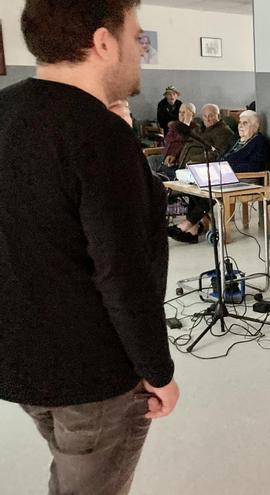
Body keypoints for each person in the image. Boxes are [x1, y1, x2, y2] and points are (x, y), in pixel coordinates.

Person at [0, 1, 179, 493]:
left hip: (20, 361)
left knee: (69, 467)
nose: (141, 50)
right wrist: (157, 371)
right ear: (104, 42)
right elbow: (123, 273)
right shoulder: (97, 135)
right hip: (92, 375)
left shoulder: (7, 110)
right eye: (136, 36)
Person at [169, 111, 270, 243]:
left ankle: (187, 225)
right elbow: (220, 156)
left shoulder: (259, 142)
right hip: (225, 175)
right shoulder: (235, 139)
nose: (240, 125)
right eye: (240, 122)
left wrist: (226, 169)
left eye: (245, 123)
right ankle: (193, 228)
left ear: (255, 126)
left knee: (211, 189)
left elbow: (255, 166)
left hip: (245, 179)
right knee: (195, 186)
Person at [151, 101, 198, 176]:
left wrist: (186, 124)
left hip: (179, 160)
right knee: (148, 161)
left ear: (192, 115)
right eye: (180, 112)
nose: (181, 115)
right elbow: (168, 141)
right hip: (166, 156)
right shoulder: (174, 125)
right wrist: (167, 156)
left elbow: (184, 144)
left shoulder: (195, 129)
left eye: (184, 113)